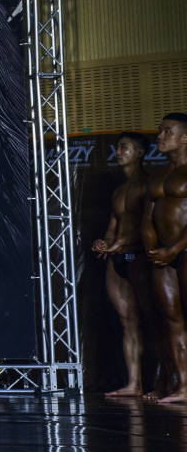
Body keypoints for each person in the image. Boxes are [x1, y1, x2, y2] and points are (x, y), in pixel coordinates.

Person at [92, 132, 165, 396]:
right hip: (117, 259)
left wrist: (122, 242)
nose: (118, 152)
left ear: (140, 153)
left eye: (124, 147)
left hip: (140, 257)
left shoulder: (150, 185)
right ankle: (134, 384)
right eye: (117, 147)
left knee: (156, 322)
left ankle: (164, 383)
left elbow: (151, 224)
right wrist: (103, 242)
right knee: (127, 322)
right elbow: (113, 227)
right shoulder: (119, 191)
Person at [145, 113, 187, 403]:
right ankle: (183, 387)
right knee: (172, 321)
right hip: (162, 256)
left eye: (167, 131)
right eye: (160, 131)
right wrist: (153, 249)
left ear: (185, 137)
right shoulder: (157, 177)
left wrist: (174, 249)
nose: (160, 136)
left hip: (184, 250)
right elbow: (147, 219)